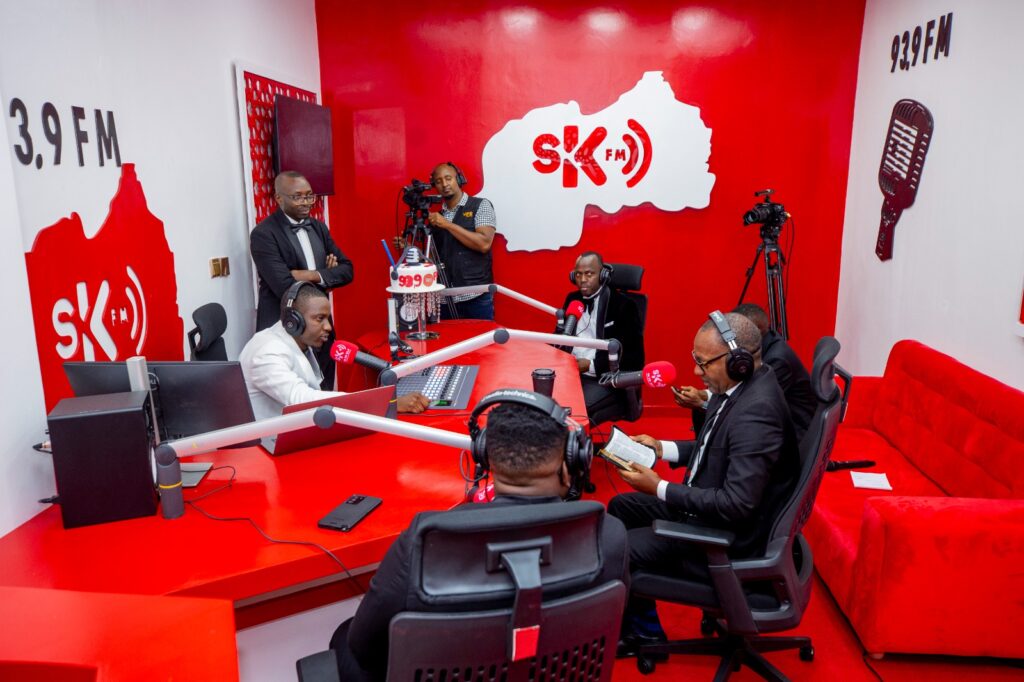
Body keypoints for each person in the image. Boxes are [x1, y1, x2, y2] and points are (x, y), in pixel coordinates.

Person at [329, 396, 630, 681]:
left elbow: (364, 647)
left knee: (344, 635)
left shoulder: (423, 542)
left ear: (485, 457)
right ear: (572, 461)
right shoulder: (609, 535)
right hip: (555, 671)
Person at [608, 312, 800, 652]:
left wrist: (660, 487)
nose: (697, 372)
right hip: (708, 511)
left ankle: (645, 633)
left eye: (703, 363)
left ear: (738, 361)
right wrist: (660, 448)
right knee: (622, 506)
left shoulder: (757, 413)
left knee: (618, 547)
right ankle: (636, 617)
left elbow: (736, 504)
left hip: (725, 538)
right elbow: (716, 446)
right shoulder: (744, 386)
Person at [238, 283, 428, 419]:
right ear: (293, 321)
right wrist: (385, 403)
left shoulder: (298, 341)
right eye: (319, 318)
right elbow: (303, 399)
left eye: (327, 319)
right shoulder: (266, 352)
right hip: (269, 448)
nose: (328, 327)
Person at [250, 171, 354, 389]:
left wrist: (310, 275)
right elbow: (285, 286)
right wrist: (326, 278)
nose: (306, 202)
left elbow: (347, 270)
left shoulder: (318, 227)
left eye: (309, 196)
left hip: (321, 329)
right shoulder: (264, 234)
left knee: (324, 388)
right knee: (293, 395)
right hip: (286, 327)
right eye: (297, 197)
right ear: (279, 198)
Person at [673, 302, 815, 441]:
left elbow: (747, 406)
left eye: (740, 329)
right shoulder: (760, 346)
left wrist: (702, 404)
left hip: (790, 433)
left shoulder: (777, 360)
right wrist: (703, 395)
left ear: (756, 331)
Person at [562, 252, 644, 419]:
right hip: (570, 373)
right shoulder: (572, 300)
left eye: (589, 274)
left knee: (570, 409)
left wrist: (590, 365)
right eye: (578, 274)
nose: (582, 279)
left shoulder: (624, 306)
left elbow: (634, 358)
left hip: (603, 377)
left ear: (603, 275)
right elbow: (560, 336)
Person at [427, 162, 497, 320]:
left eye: (448, 178)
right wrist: (409, 248)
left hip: (476, 296)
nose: (444, 184)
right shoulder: (436, 218)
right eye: (438, 181)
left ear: (458, 179)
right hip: (444, 298)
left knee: (482, 337)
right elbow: (432, 257)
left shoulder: (481, 205)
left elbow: (484, 244)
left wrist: (447, 224)